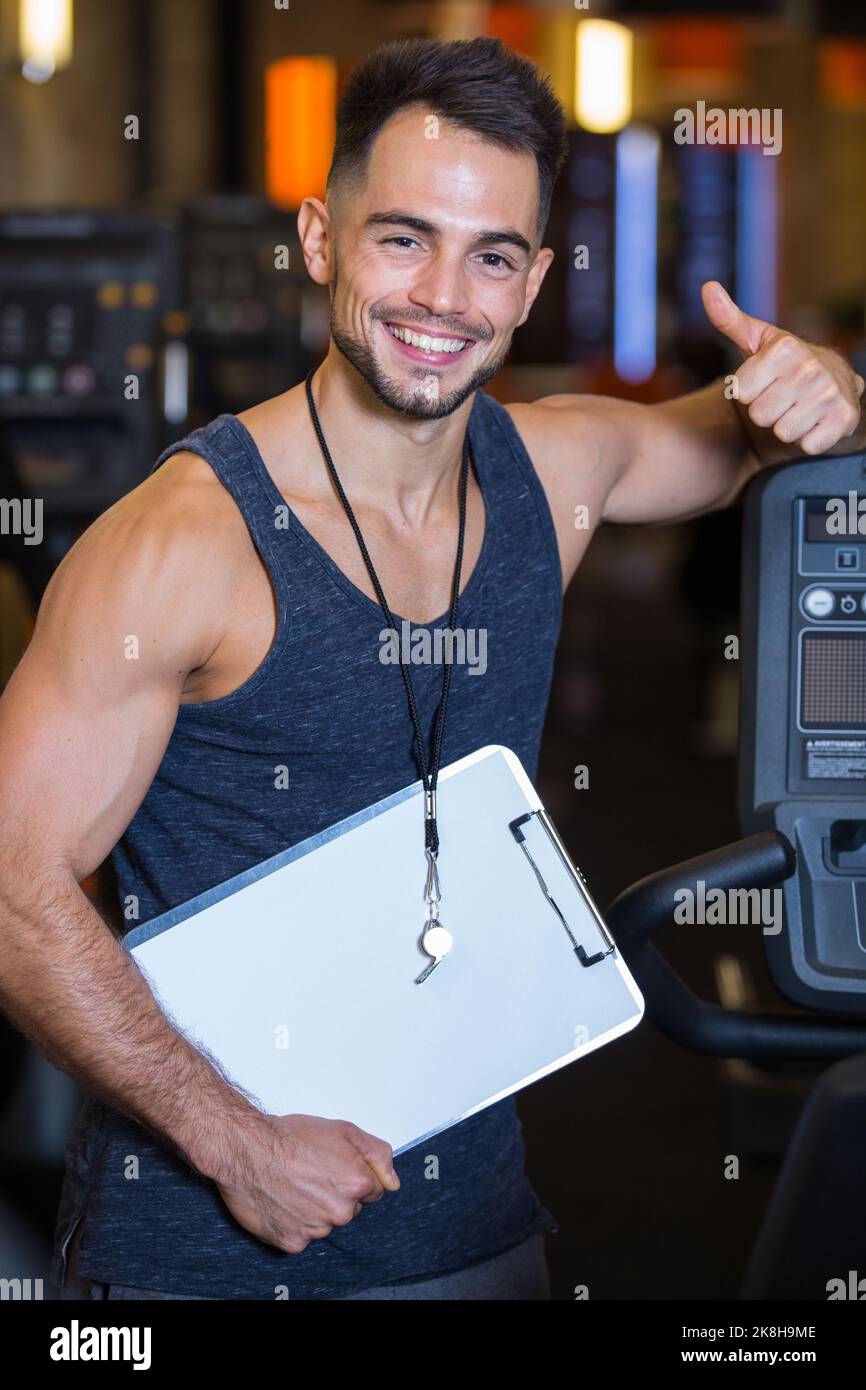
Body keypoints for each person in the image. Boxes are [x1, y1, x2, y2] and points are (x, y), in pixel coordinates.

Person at [0, 35, 862, 1302]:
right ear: (319, 240)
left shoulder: (551, 476)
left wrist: (831, 386)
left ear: (528, 286)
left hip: (477, 1231)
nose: (443, 295)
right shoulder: (183, 544)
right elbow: (14, 884)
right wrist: (236, 1144)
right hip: (208, 1256)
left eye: (491, 255)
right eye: (403, 238)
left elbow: (735, 439)